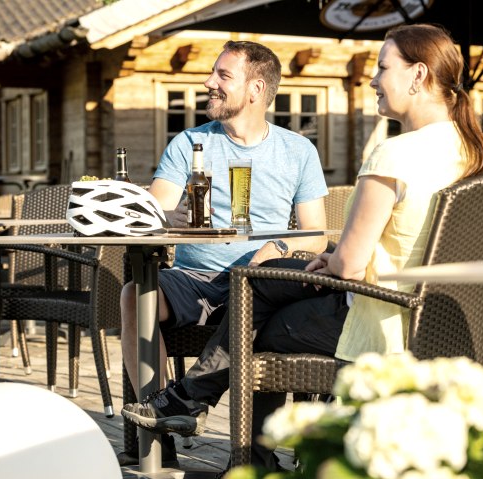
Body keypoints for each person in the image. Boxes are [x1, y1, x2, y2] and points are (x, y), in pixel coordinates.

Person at [122, 23, 483, 473]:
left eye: (381, 68)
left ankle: (211, 422)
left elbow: (351, 265)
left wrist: (330, 256)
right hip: (446, 320)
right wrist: (330, 257)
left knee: (258, 318)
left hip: (379, 320)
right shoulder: (478, 153)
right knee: (261, 294)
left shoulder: (393, 155)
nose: (373, 79)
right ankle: (224, 431)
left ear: (417, 76)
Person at [118, 40, 329, 466]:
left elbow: (317, 235)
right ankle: (159, 430)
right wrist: (165, 217)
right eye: (212, 73)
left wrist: (278, 245)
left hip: (259, 284)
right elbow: (157, 205)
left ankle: (243, 447)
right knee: (132, 296)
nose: (208, 82)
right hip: (196, 279)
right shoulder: (190, 143)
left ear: (255, 89)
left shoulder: (298, 150)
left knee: (268, 296)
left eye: (222, 75)